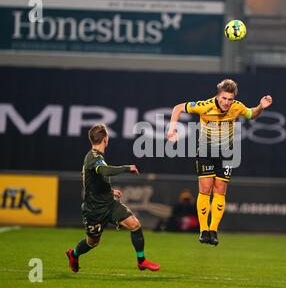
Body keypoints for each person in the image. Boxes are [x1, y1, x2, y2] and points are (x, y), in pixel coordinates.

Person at [167, 79, 272, 246]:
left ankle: (213, 230)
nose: (227, 102)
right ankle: (203, 230)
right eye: (224, 98)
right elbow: (178, 108)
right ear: (218, 96)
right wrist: (172, 129)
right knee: (206, 188)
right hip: (206, 152)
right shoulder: (205, 106)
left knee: (220, 190)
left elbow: (251, 114)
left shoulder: (237, 107)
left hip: (226, 153)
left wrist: (260, 107)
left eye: (230, 99)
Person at [66, 124, 160, 272]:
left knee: (135, 224)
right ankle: (74, 254)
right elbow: (104, 171)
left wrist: (110, 192)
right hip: (94, 210)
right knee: (92, 243)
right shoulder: (93, 157)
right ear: (106, 139)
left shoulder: (96, 156)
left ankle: (141, 261)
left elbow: (95, 181)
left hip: (109, 204)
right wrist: (127, 168)